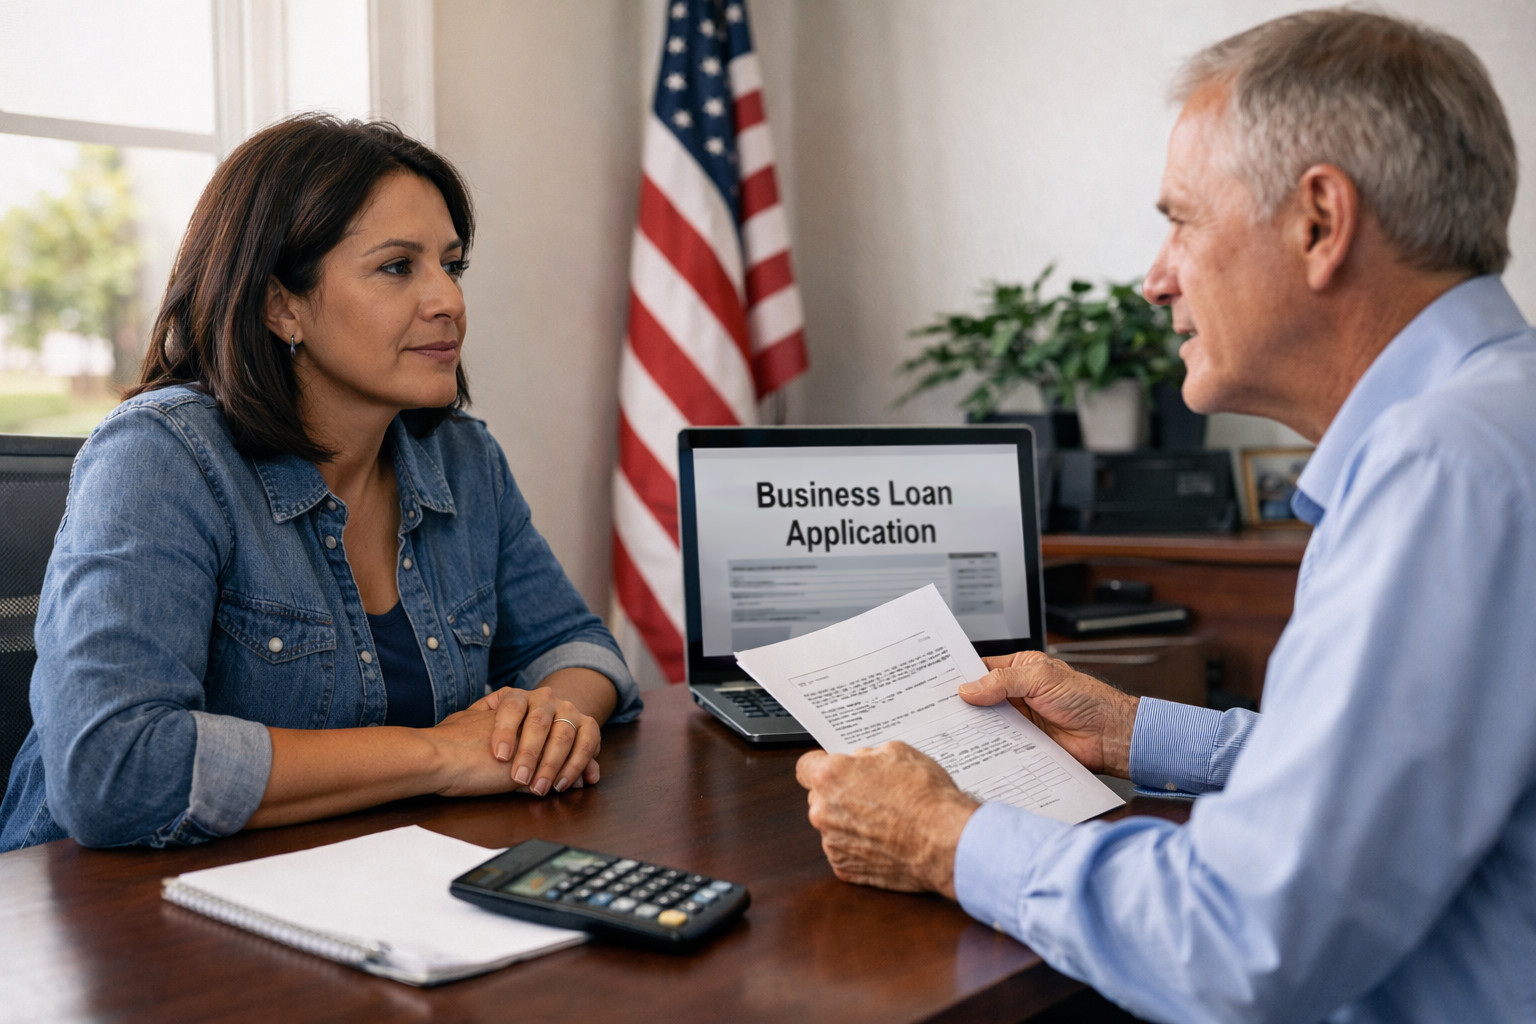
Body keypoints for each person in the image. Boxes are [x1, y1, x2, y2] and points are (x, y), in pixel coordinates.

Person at [795, 10, 1536, 1023]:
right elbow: (1407, 781)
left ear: (1320, 221)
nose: (1156, 277)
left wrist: (942, 835)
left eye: (1181, 218)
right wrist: (1138, 730)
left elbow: (1239, 944)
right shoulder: (1503, 418)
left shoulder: (1442, 470)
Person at [0, 115, 641, 852]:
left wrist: (547, 720)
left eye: (452, 265)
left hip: (362, 885)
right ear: (282, 305)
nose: (449, 302)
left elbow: (579, 647)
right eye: (398, 267)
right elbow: (113, 769)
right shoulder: (161, 456)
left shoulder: (464, 458)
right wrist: (441, 755)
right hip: (111, 920)